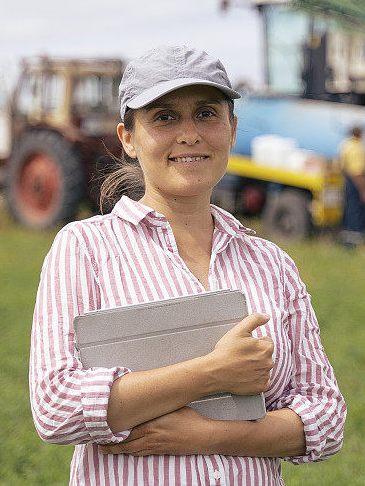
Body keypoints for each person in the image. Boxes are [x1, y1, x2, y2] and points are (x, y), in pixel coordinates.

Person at [29, 46, 346, 485]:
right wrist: (211, 373)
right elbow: (56, 408)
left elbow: (326, 418)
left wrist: (209, 435)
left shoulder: (272, 263)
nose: (190, 134)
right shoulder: (85, 248)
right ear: (128, 138)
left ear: (232, 130)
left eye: (206, 114)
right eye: (164, 117)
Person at [338, 126, 365, 247]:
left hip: (347, 179)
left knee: (348, 209)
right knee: (356, 211)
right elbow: (357, 172)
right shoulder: (357, 148)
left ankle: (346, 237)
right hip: (356, 181)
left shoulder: (346, 144)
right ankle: (354, 242)